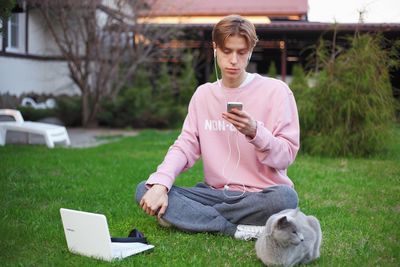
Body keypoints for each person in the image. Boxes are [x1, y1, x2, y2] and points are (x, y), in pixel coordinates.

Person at [135, 14, 300, 240]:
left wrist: (255, 132)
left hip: (259, 195)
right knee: (145, 189)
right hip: (214, 194)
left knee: (286, 198)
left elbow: (286, 156)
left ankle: (191, 218)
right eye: (226, 51)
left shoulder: (277, 92)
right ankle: (233, 228)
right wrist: (161, 185)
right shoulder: (204, 95)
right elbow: (185, 146)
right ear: (215, 48)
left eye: (241, 52)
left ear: (251, 50)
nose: (233, 60)